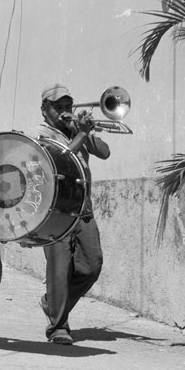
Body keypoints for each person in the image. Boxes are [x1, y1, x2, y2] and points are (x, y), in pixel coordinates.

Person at [36, 83, 109, 344]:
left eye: (68, 106)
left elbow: (105, 153)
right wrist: (79, 136)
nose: (65, 112)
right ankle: (58, 327)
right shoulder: (41, 134)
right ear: (45, 110)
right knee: (59, 269)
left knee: (92, 266)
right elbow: (58, 160)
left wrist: (84, 132)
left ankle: (53, 302)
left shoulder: (75, 130)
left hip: (82, 208)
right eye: (59, 107)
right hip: (56, 210)